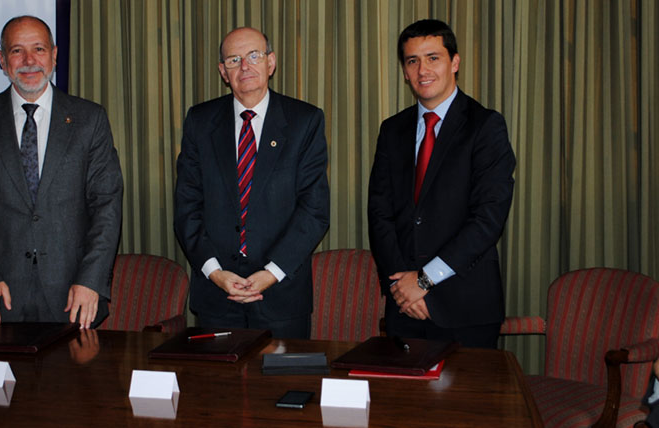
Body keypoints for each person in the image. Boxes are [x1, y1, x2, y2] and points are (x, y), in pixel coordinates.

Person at [0, 15, 123, 332]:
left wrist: (90, 280)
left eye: (38, 49)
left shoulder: (89, 119)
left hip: (73, 296)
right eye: (17, 51)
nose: (29, 61)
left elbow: (106, 205)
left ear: (54, 55)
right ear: (2, 60)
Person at [367, 19, 516, 348]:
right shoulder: (392, 130)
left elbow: (488, 219)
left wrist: (423, 281)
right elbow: (379, 214)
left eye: (433, 58)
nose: (423, 70)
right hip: (404, 307)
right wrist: (402, 287)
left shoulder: (486, 126)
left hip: (466, 309)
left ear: (455, 62)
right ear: (405, 72)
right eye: (413, 61)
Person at [174, 27, 329, 339]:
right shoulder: (200, 121)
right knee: (216, 373)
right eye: (234, 60)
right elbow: (187, 207)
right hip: (217, 295)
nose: (245, 66)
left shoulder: (304, 121)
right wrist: (215, 272)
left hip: (281, 296)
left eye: (254, 56)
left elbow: (314, 211)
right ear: (223, 72)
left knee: (281, 374)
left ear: (271, 62)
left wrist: (270, 274)